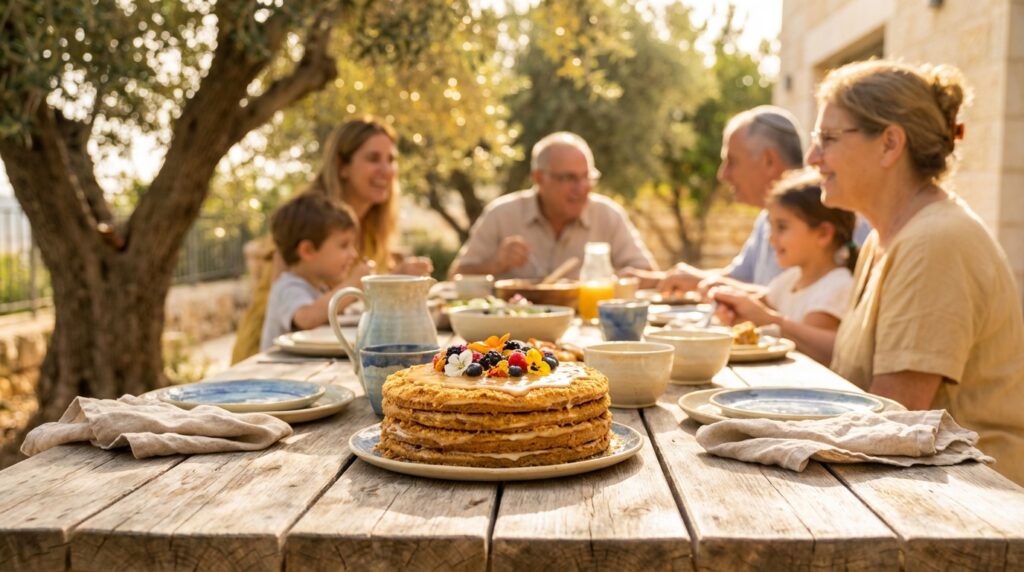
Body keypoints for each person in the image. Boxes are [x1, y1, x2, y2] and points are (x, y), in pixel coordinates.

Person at [717, 60, 1024, 485]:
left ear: (889, 144)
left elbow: (896, 421)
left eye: (827, 139)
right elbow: (855, 374)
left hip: (971, 503)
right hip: (916, 483)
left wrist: (762, 433)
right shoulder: (884, 240)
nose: (812, 158)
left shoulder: (935, 242)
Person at [232, 117, 432, 363]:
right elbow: (298, 308)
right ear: (342, 167)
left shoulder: (371, 227)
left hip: (326, 357)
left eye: (391, 160)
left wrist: (396, 274)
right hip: (270, 360)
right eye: (373, 158)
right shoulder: (309, 220)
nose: (386, 170)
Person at [647, 106, 869, 295]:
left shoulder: (834, 211)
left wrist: (708, 284)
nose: (722, 175)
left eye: (732, 162)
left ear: (769, 160)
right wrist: (656, 280)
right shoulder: (766, 218)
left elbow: (801, 299)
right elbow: (740, 279)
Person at [447, 131, 656, 280]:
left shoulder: (608, 215)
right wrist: (495, 264)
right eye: (569, 178)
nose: (582, 187)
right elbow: (456, 275)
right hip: (512, 334)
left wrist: (625, 279)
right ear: (539, 178)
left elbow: (649, 275)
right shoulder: (501, 214)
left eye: (587, 177)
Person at [708, 169, 857, 365]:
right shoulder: (790, 279)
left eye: (782, 227)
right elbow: (760, 314)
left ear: (823, 234)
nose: (771, 237)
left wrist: (765, 319)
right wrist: (737, 312)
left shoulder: (837, 286)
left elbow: (810, 356)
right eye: (771, 226)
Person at [260, 192, 359, 351]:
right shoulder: (287, 287)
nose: (353, 254)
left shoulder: (321, 288)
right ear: (308, 251)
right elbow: (306, 318)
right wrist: (352, 285)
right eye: (344, 245)